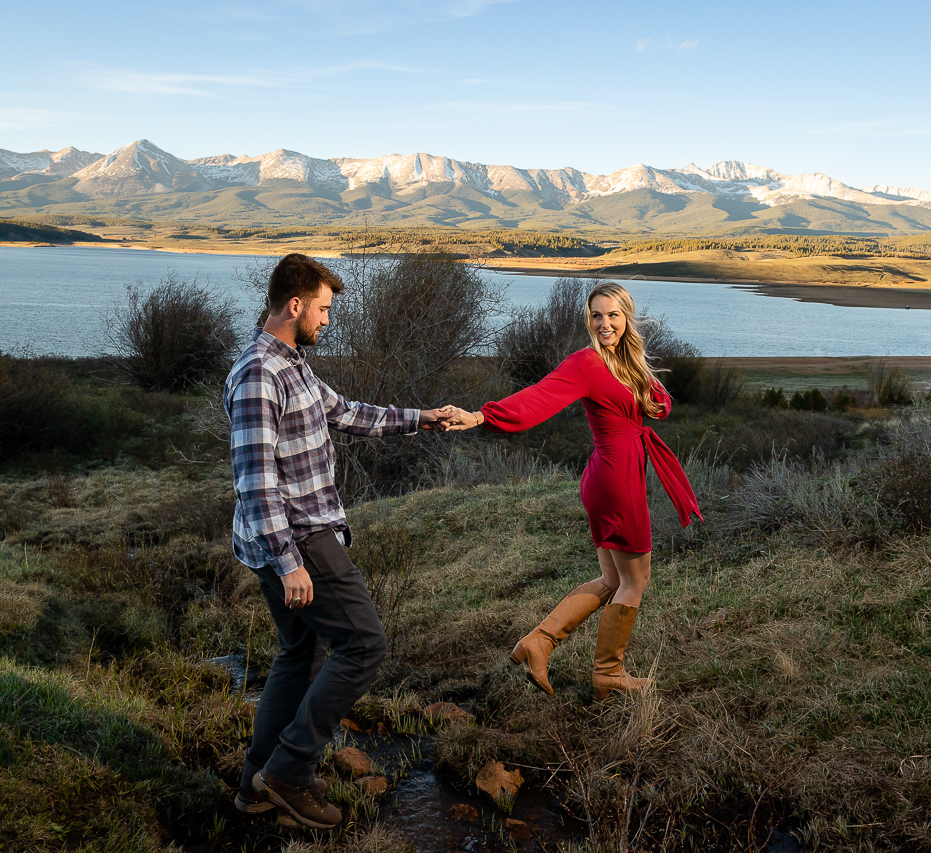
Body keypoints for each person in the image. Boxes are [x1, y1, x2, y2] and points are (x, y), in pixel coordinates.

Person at [225, 253, 452, 828]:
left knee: (299, 654)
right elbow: (256, 481)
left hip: (294, 537)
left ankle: (257, 783)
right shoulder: (259, 374)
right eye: (323, 309)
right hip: (298, 538)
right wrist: (289, 562)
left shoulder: (293, 363)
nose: (328, 320)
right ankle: (289, 772)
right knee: (364, 644)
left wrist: (420, 418)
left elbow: (346, 412)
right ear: (295, 305)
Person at [445, 282, 700, 699]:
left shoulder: (625, 361)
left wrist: (636, 363)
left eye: (613, 315)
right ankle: (608, 674)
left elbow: (660, 405)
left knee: (613, 577)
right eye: (596, 316)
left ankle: (539, 643)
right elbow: (537, 399)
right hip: (617, 479)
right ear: (589, 320)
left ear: (626, 317)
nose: (604, 323)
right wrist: (479, 417)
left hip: (610, 474)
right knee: (635, 581)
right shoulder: (585, 363)